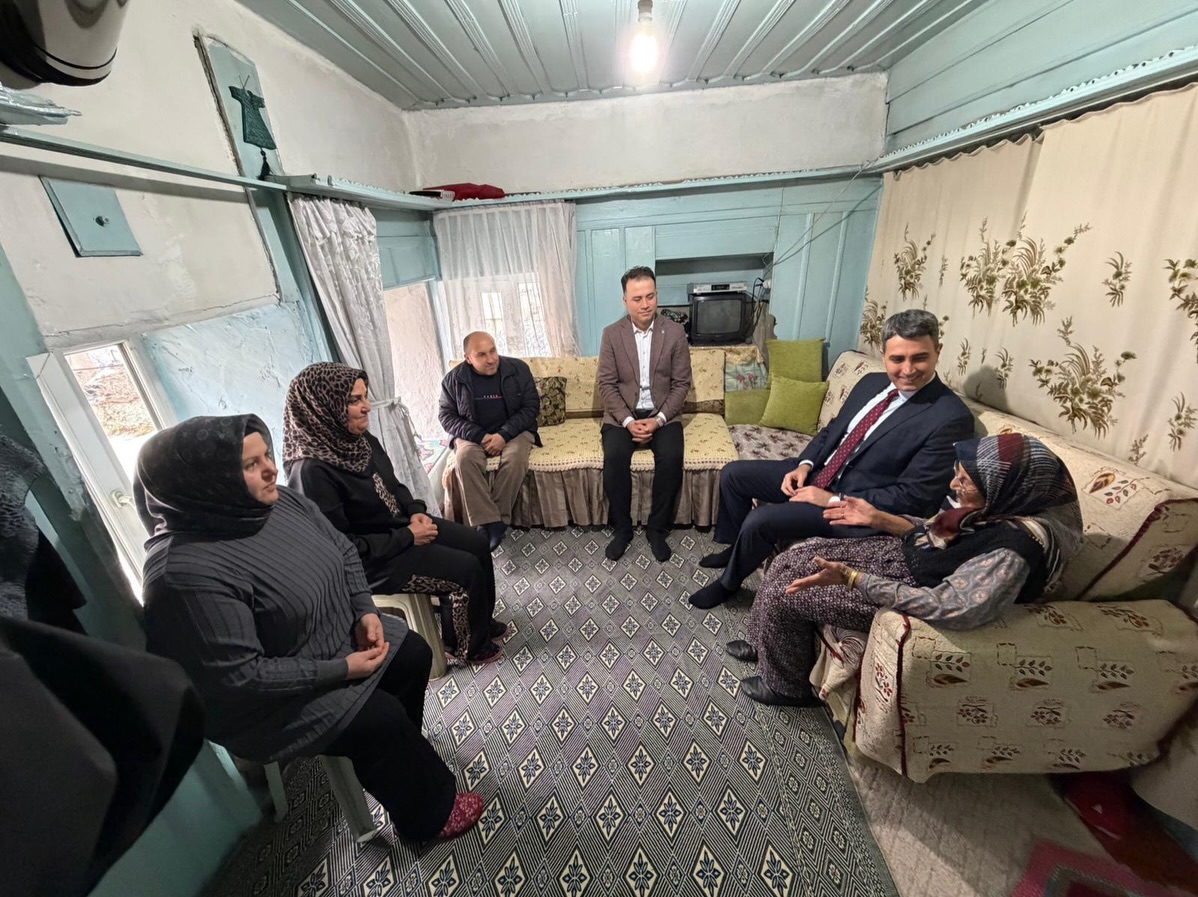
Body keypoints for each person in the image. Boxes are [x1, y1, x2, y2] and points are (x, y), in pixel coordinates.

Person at [135, 414, 483, 840]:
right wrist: (343, 669)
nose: (271, 470)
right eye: (250, 465)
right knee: (381, 720)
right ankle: (426, 816)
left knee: (413, 654)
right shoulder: (182, 575)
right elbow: (242, 677)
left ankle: (396, 762)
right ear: (204, 484)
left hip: (331, 637)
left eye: (267, 455)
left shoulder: (279, 502)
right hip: (269, 702)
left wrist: (364, 611)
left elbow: (343, 552)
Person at [729, 433, 1082, 706]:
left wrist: (855, 579)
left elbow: (952, 606)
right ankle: (763, 644)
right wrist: (878, 518)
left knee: (788, 592)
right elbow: (933, 533)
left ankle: (786, 688)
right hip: (908, 557)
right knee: (790, 560)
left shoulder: (1015, 549)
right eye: (957, 475)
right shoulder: (1000, 507)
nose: (953, 486)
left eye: (964, 481)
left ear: (1006, 486)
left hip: (908, 587)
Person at [689, 308, 974, 609]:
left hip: (853, 506)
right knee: (733, 474)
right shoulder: (871, 383)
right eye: (897, 359)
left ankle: (728, 584)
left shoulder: (949, 417)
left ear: (937, 351)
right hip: (822, 473)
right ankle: (735, 546)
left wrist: (830, 499)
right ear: (884, 355)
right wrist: (805, 465)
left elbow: (914, 498)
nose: (908, 369)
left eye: (919, 358)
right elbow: (833, 430)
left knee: (761, 520)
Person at [283, 362, 504, 665]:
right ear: (323, 408)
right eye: (354, 400)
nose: (367, 407)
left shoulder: (359, 440)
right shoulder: (311, 472)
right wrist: (408, 537)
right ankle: (467, 647)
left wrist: (414, 512)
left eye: (365, 397)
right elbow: (342, 550)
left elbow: (394, 485)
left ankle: (479, 620)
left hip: (400, 529)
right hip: (373, 562)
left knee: (476, 542)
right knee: (464, 570)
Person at [597, 266, 693, 562]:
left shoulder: (674, 332)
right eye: (637, 298)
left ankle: (656, 529)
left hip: (662, 413)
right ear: (625, 300)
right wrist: (628, 422)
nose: (645, 304)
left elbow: (681, 384)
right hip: (622, 415)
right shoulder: (612, 334)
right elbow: (607, 384)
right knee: (614, 456)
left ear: (656, 296)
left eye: (650, 296)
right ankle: (622, 529)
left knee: (672, 456)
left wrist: (659, 419)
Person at [438, 331, 541, 551]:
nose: (491, 359)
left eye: (493, 351)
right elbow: (446, 417)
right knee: (464, 460)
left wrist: (504, 435)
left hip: (514, 431)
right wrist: (480, 436)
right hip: (473, 434)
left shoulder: (518, 369)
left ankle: (496, 522)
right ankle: (487, 521)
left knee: (515, 459)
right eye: (482, 355)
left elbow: (531, 407)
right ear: (468, 358)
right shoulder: (453, 380)